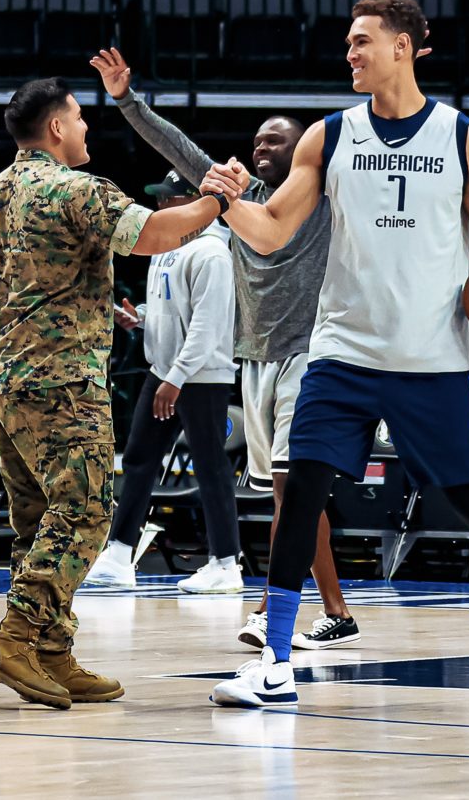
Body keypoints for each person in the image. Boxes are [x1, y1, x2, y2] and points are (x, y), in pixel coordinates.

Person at [200, 0, 469, 707]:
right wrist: (224, 199)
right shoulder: (328, 138)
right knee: (301, 488)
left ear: (404, 46)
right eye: (348, 43)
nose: (350, 53)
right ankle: (275, 660)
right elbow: (273, 230)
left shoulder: (464, 138)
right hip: (340, 352)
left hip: (431, 359)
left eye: (362, 41)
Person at [0, 77, 235, 709]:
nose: (86, 128)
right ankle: (18, 635)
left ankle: (51, 652)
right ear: (56, 127)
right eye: (79, 117)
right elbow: (156, 233)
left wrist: (2, 340)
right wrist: (215, 200)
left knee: (37, 524)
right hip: (64, 384)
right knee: (84, 512)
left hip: (6, 385)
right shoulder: (75, 190)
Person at [89, 48, 359, 648]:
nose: (262, 149)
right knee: (292, 493)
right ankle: (335, 612)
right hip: (255, 358)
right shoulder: (236, 200)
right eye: (258, 142)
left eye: (276, 142)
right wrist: (127, 100)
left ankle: (272, 606)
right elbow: (179, 151)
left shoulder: (323, 199)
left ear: (303, 153)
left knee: (293, 488)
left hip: (309, 353)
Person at [86, 170, 243, 594]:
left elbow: (208, 329)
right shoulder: (168, 248)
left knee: (210, 467)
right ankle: (119, 552)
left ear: (195, 200)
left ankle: (226, 562)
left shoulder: (212, 254)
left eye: (169, 198)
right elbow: (175, 311)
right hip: (165, 372)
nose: (160, 206)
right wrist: (140, 318)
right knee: (139, 459)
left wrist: (175, 379)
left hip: (199, 379)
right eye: (159, 198)